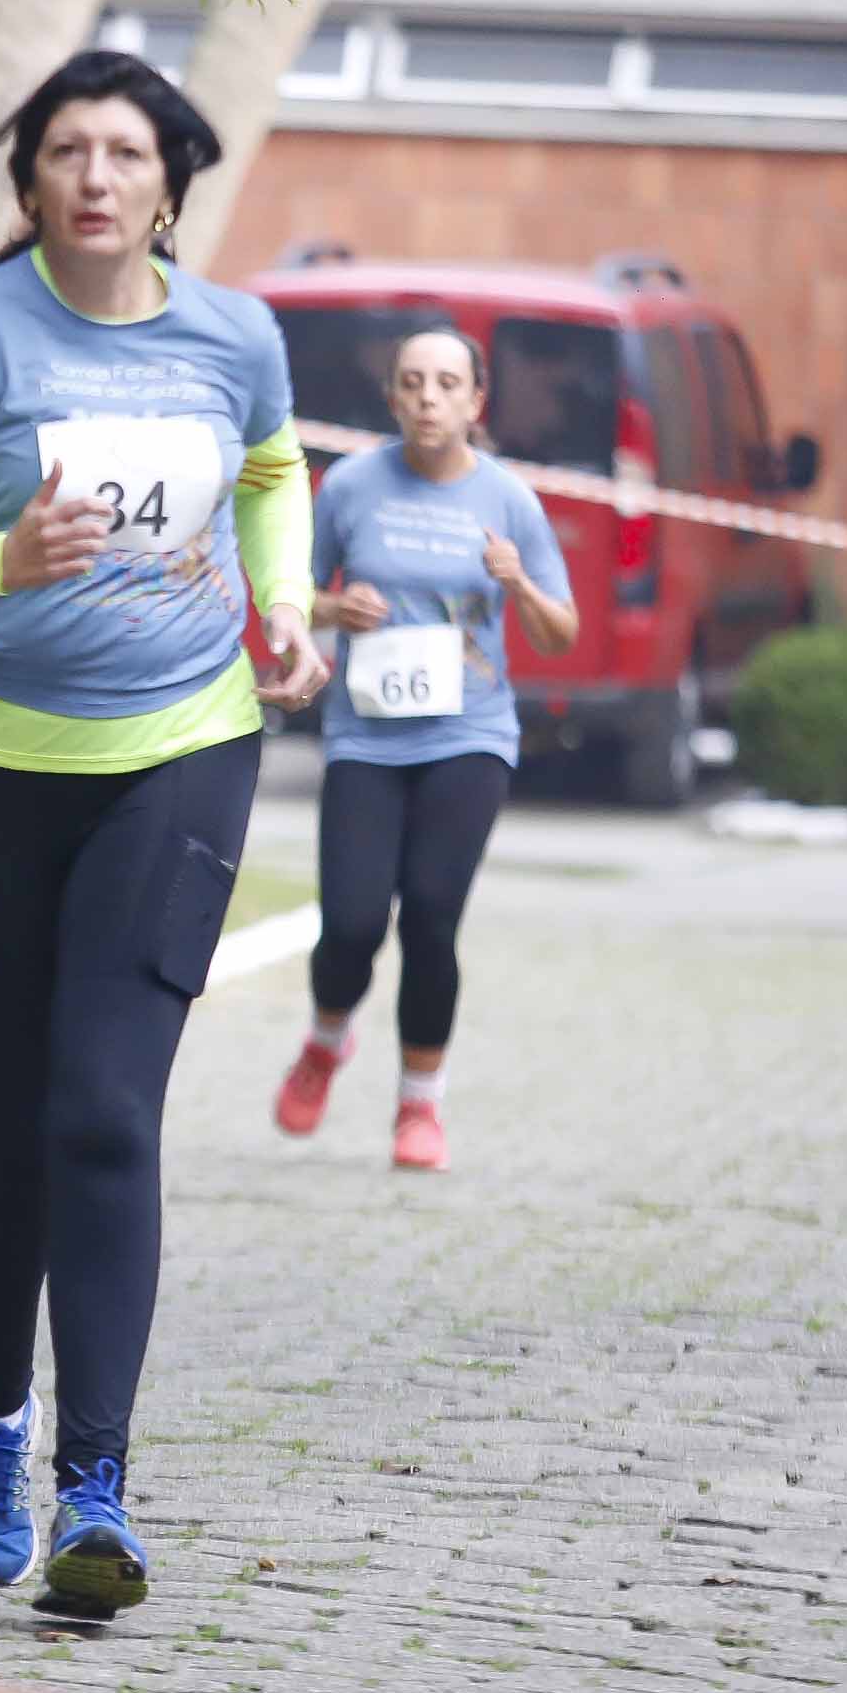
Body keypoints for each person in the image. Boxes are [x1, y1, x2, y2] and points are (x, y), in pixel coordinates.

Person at [0, 48, 328, 1620]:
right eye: (66, 152)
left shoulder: (235, 336)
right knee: (9, 1114)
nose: (96, 177)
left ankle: (94, 1492)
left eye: (125, 153)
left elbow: (273, 476)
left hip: (179, 755)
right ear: (31, 181)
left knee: (105, 1113)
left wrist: (284, 605)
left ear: (171, 183)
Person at [273, 325, 575, 1172]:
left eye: (446, 384)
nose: (428, 398)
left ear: (476, 402)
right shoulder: (351, 486)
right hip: (366, 740)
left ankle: (419, 1104)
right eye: (412, 382)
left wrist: (518, 583)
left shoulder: (508, 500)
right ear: (393, 397)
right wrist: (335, 611)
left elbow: (560, 633)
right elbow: (293, 593)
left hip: (468, 736)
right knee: (352, 925)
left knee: (433, 920)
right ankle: (326, 1040)